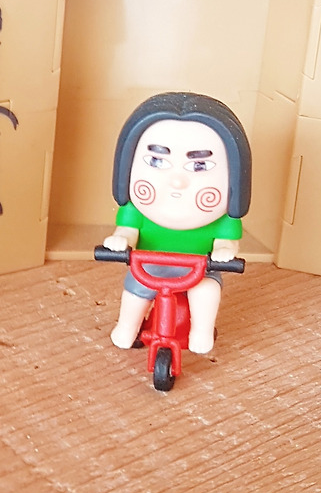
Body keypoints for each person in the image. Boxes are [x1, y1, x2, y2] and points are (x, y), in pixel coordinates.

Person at [104, 92, 251, 355]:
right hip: (150, 265)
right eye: (157, 161)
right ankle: (127, 326)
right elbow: (127, 230)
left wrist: (224, 250)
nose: (177, 181)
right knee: (136, 290)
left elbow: (227, 241)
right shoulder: (136, 210)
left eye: (199, 166)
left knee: (206, 290)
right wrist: (121, 239)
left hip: (199, 268)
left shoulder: (222, 219)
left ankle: (202, 331)